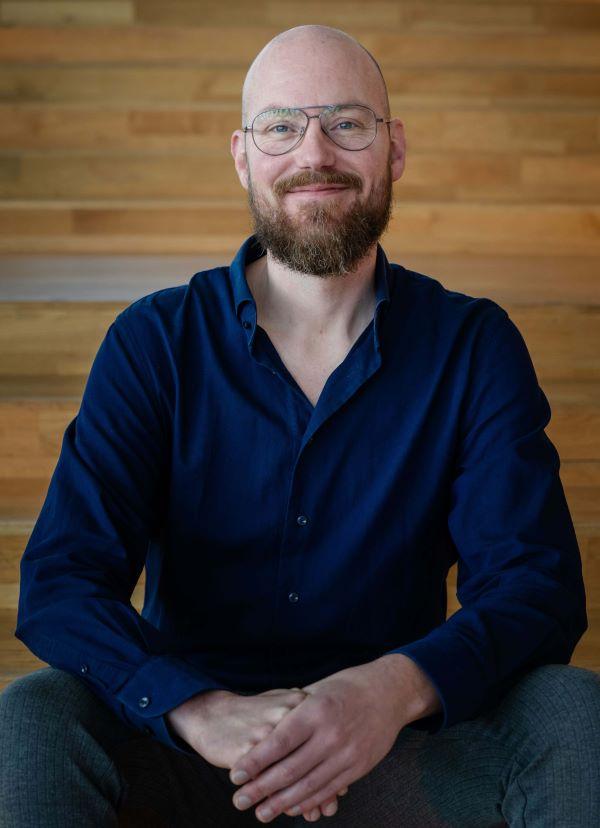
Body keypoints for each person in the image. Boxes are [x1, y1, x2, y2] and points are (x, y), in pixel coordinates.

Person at [1, 23, 598, 828]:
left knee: (571, 708)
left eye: (347, 123)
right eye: (282, 126)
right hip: (192, 759)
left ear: (394, 149)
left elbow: (537, 587)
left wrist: (388, 691)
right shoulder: (153, 342)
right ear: (244, 155)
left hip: (401, 756)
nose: (314, 152)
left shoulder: (473, 345)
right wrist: (194, 706)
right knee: (38, 716)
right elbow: (60, 583)